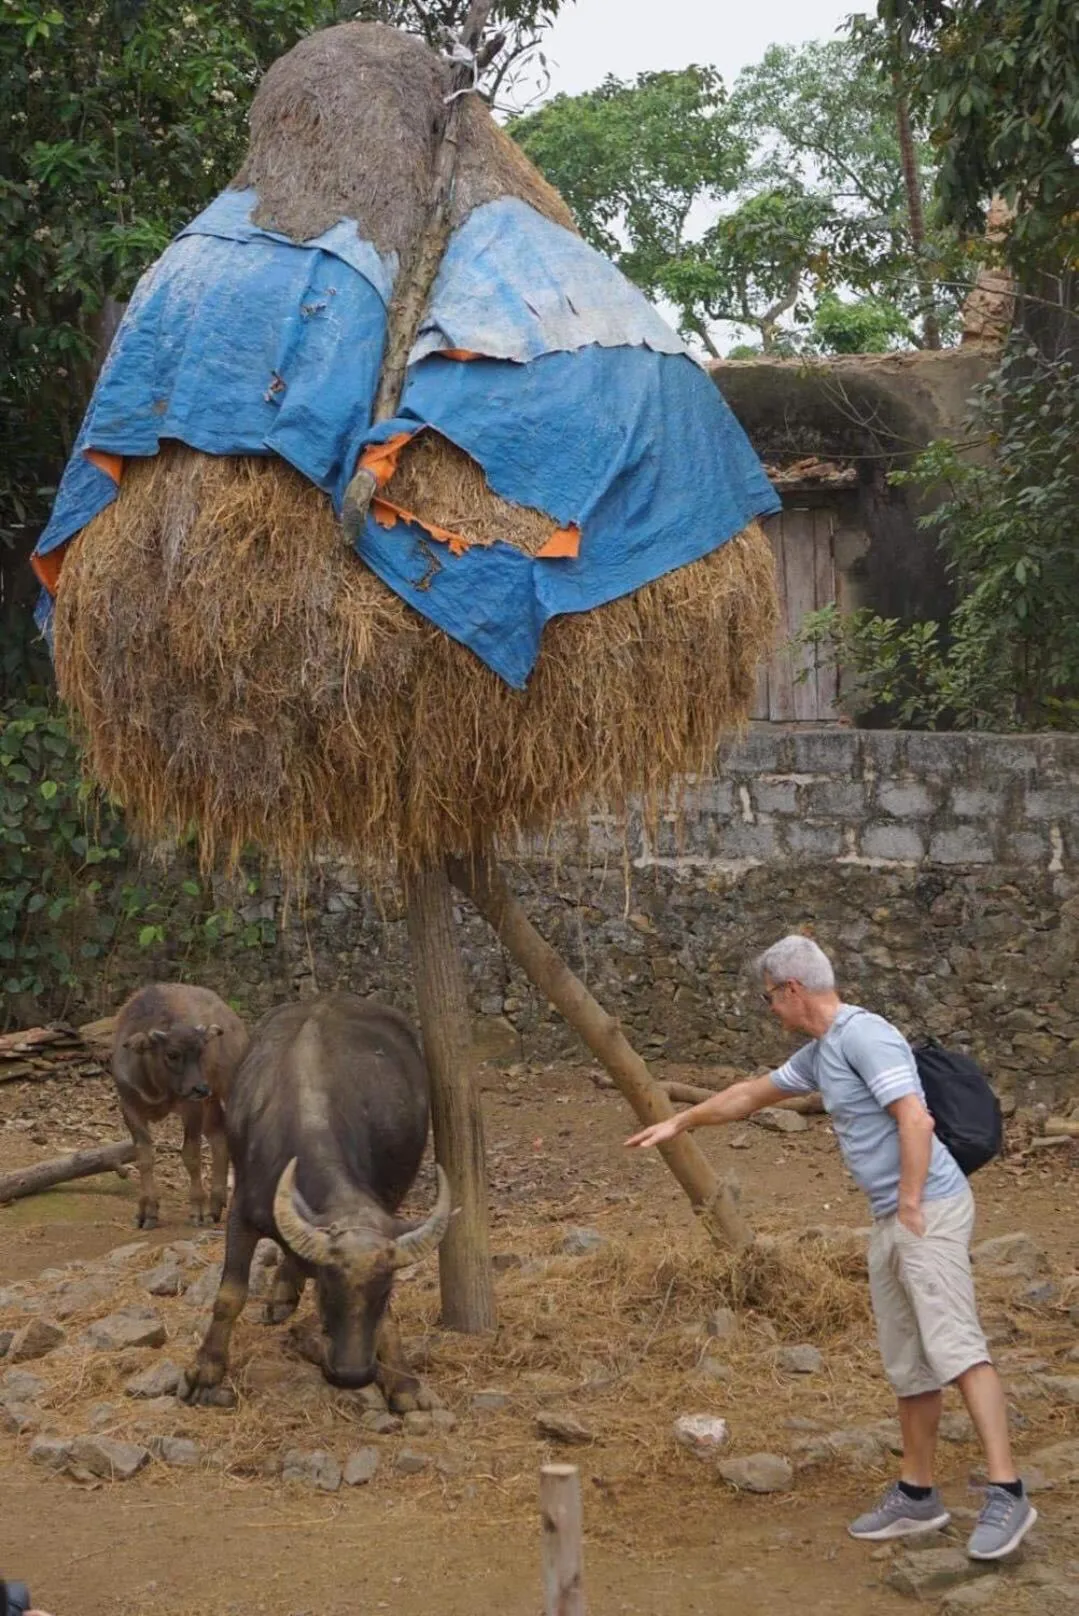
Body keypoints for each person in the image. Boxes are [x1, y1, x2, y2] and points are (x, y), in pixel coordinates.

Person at [625, 933, 1035, 1561]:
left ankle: (1008, 1492)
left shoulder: (865, 1037)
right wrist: (680, 1121)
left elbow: (915, 1120)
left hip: (928, 1211)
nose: (770, 1010)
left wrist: (910, 1204)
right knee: (909, 1361)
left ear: (793, 990)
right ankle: (917, 1495)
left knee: (957, 1347)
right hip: (894, 1217)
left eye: (770, 998)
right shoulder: (823, 1052)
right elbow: (750, 1095)